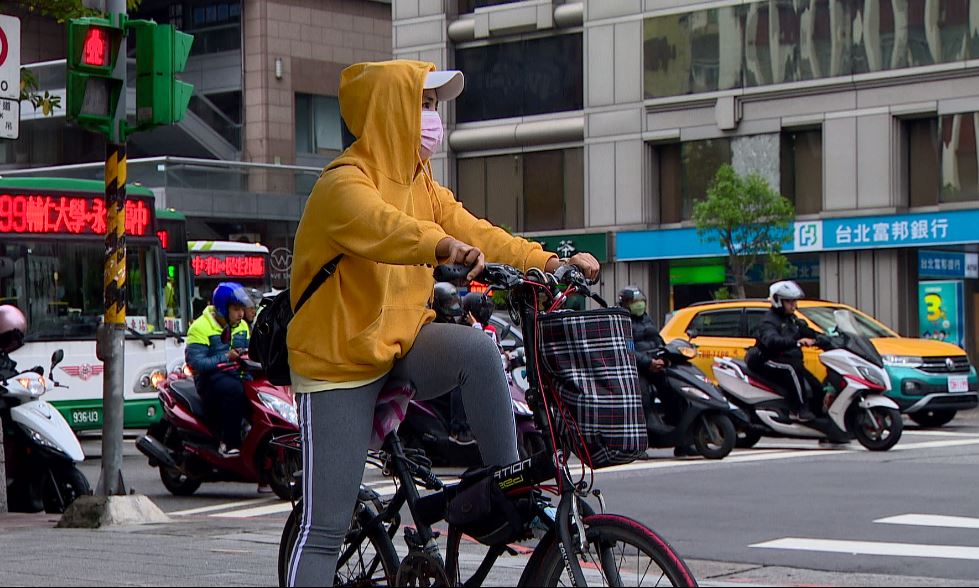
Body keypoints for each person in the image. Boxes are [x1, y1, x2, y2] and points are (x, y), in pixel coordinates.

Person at [285, 60, 599, 587]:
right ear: (392, 112)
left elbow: (480, 231)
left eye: (434, 107)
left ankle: (509, 488)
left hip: (401, 339)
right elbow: (385, 227)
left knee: (477, 352)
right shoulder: (343, 182)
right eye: (424, 106)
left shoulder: (422, 183)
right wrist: (441, 245)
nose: (433, 118)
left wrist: (547, 262)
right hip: (338, 360)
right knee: (324, 527)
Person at [185, 282, 252, 457]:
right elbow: (197, 363)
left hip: (238, 375)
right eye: (236, 309)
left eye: (242, 309)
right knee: (234, 389)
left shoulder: (243, 327)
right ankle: (230, 443)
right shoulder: (200, 327)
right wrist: (225, 357)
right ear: (223, 308)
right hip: (210, 379)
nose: (241, 314)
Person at [746, 280, 825, 422]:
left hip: (786, 359)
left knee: (816, 385)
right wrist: (797, 342)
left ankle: (820, 419)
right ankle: (800, 410)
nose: (794, 305)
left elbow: (807, 331)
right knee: (792, 369)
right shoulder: (768, 321)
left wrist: (827, 339)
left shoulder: (791, 319)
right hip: (766, 358)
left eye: (795, 301)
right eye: (789, 302)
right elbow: (772, 341)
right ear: (778, 301)